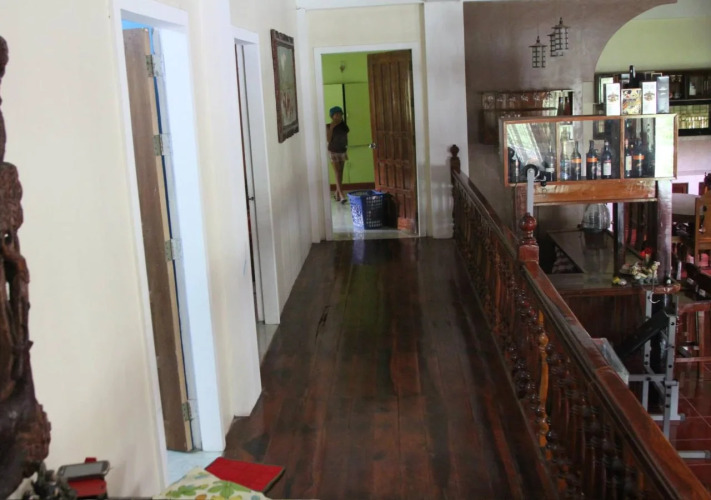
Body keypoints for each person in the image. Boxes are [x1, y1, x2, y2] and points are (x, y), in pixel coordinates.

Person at [327, 106, 349, 203]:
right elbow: (328, 139)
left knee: (341, 172)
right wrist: (331, 128)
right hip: (333, 151)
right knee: (337, 172)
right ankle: (341, 194)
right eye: (336, 115)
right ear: (332, 116)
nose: (338, 116)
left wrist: (345, 146)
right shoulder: (328, 126)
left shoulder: (343, 126)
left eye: (340, 114)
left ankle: (337, 192)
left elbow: (345, 137)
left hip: (342, 150)